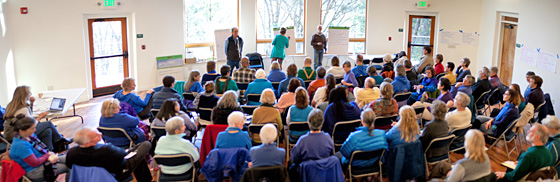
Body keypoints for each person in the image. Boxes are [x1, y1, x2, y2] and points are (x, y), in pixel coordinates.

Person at [67, 128, 152, 182]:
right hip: (120, 170)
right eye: (96, 135)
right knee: (146, 144)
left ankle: (146, 179)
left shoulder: (71, 153)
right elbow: (122, 153)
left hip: (88, 177)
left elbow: (70, 166)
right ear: (87, 143)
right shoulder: (106, 150)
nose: (100, 134)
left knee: (136, 151)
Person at [3, 86, 70, 151]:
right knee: (48, 124)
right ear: (25, 95)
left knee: (48, 131)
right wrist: (40, 117)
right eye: (29, 93)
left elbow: (28, 115)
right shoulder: (22, 109)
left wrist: (31, 103)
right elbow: (31, 123)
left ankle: (49, 152)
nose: (31, 94)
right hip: (17, 135)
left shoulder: (11, 105)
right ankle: (60, 140)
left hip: (9, 135)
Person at [9, 115, 69, 182]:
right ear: (21, 130)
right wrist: (47, 155)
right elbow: (35, 163)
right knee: (71, 166)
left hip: (43, 161)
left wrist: (48, 155)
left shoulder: (29, 136)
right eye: (32, 128)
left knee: (73, 159)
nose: (35, 130)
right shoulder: (21, 145)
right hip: (34, 171)